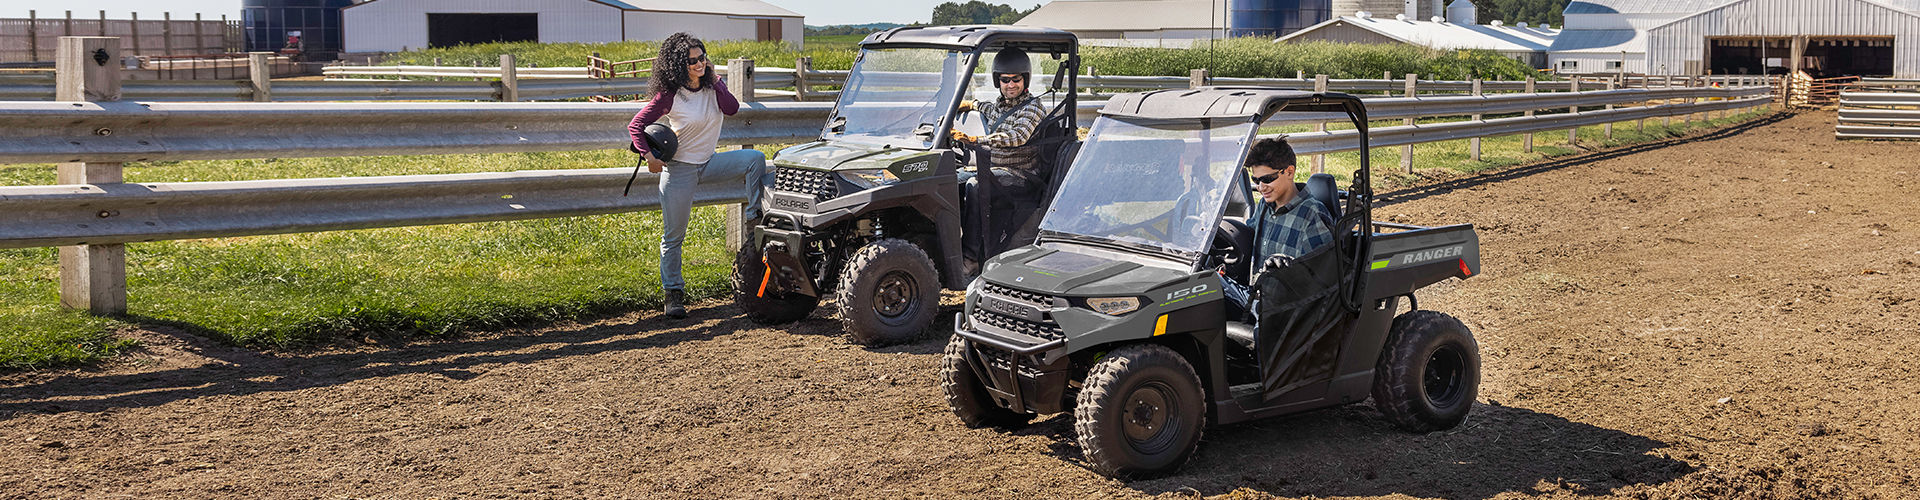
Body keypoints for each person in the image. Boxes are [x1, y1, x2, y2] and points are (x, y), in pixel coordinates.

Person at [627, 32, 772, 319]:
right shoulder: (670, 95)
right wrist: (649, 156)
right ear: (679, 64)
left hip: (709, 162)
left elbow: (731, 109)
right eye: (691, 60)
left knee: (756, 159)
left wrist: (717, 81)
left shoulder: (712, 87)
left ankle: (753, 218)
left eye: (701, 58)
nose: (698, 64)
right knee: (674, 237)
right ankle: (673, 294)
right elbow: (636, 125)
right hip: (680, 169)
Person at [950, 48, 1047, 273]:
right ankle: (948, 248)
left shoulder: (1033, 109)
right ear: (998, 81)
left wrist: (975, 139)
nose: (1010, 85)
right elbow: (982, 107)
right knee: (950, 179)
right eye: (1005, 80)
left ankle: (971, 257)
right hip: (994, 169)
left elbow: (1016, 136)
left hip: (1022, 175)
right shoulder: (998, 106)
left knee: (976, 186)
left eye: (1016, 79)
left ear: (1026, 80)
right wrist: (967, 104)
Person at [1222, 138, 1334, 314]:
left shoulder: (1312, 214)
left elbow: (1323, 279)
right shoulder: (1265, 206)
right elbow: (1246, 235)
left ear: (1289, 172)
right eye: (1256, 180)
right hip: (1255, 298)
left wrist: (1289, 269)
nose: (1260, 187)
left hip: (1285, 311)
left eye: (1267, 179)